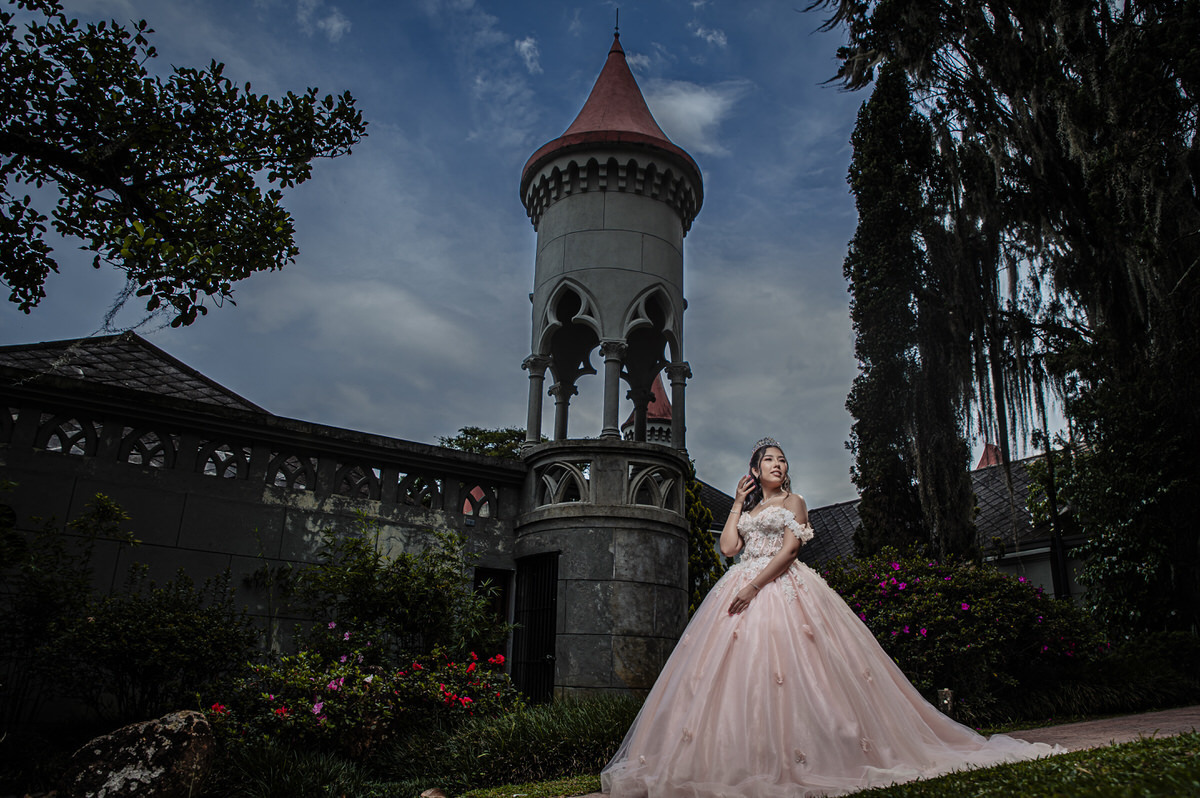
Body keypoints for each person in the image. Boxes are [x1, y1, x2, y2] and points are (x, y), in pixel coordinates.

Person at [601, 437, 1063, 797]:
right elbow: (728, 549)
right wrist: (739, 505)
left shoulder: (793, 503)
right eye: (769, 461)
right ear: (754, 471)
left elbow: (790, 549)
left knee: (803, 672)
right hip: (737, 588)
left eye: (782, 460)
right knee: (738, 679)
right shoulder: (752, 507)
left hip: (780, 589)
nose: (778, 465)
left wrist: (754, 586)